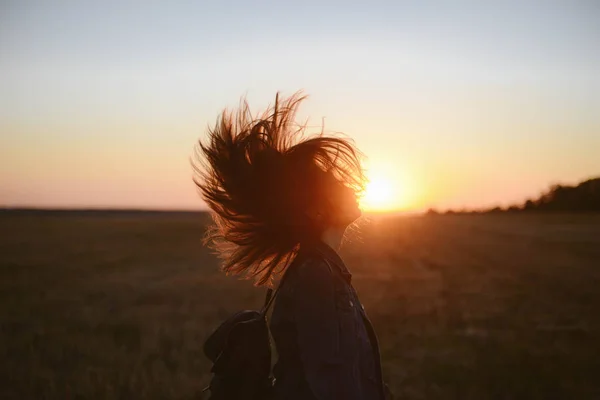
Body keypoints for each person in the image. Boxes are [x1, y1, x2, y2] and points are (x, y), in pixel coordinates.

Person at [193, 92, 391, 399]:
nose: (349, 186)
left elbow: (347, 369)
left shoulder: (323, 268)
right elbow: (329, 382)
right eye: (335, 184)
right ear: (316, 210)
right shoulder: (315, 275)